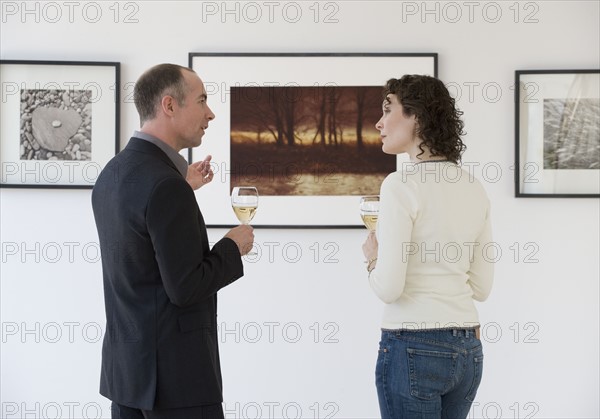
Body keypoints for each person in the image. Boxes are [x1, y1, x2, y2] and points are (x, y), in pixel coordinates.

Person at [92, 63, 254, 419]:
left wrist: (183, 187)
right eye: (202, 100)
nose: (210, 113)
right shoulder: (166, 186)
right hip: (176, 382)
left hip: (128, 376)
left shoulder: (113, 173)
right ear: (169, 105)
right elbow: (185, 287)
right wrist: (232, 246)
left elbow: (142, 256)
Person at [362, 74, 494, 418]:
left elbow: (389, 288)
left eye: (388, 109)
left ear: (416, 117)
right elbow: (482, 287)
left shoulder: (400, 184)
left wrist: (372, 260)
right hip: (467, 348)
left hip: (412, 348)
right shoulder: (472, 186)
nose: (379, 122)